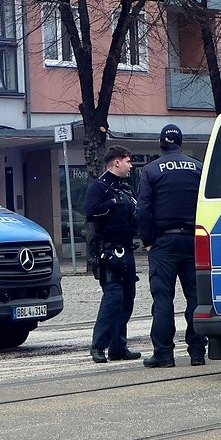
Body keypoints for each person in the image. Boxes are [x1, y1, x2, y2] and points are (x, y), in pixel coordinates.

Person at [137, 124, 206, 368]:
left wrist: (147, 240)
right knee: (196, 298)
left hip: (163, 243)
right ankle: (197, 352)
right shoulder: (198, 167)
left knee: (163, 298)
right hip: (193, 240)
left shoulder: (151, 170)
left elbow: (143, 208)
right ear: (181, 142)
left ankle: (164, 354)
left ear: (161, 143)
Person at [84, 145, 142, 364]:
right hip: (109, 250)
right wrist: (113, 203)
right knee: (113, 298)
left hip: (127, 249)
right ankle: (98, 345)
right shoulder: (99, 188)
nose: (131, 165)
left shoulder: (126, 188)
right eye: (128, 160)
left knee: (128, 299)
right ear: (116, 162)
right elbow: (90, 212)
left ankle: (118, 347)